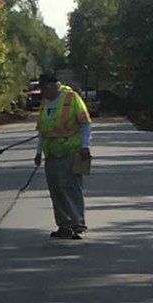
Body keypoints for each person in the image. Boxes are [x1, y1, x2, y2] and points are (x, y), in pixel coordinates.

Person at [34, 67, 93, 238]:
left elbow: (86, 124)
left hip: (70, 152)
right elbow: (42, 131)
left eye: (44, 88)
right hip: (51, 154)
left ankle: (78, 225)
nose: (42, 92)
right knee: (56, 190)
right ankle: (64, 225)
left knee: (71, 188)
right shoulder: (45, 103)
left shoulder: (71, 99)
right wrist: (38, 153)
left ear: (54, 86)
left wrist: (85, 146)